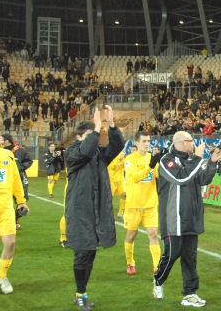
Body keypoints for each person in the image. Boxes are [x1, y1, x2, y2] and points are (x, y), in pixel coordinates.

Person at [64, 106, 124, 310]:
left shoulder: (98, 155)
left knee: (90, 252)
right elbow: (85, 151)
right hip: (79, 212)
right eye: (91, 135)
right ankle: (81, 293)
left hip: (96, 212)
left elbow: (117, 146)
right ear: (79, 137)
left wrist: (112, 126)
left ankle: (81, 292)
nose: (96, 138)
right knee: (83, 252)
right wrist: (97, 128)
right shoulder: (72, 153)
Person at [153, 131, 221, 306]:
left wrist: (212, 163)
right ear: (182, 143)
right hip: (173, 219)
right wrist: (199, 158)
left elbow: (203, 179)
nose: (194, 144)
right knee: (172, 254)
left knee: (190, 257)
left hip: (192, 217)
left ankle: (189, 293)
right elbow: (181, 177)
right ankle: (158, 280)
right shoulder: (166, 160)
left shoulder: (191, 161)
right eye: (191, 141)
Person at [0, 123, 29, 296]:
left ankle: (2, 276)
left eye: (0, 136)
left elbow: (15, 179)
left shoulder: (8, 155)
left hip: (5, 208)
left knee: (10, 243)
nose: (0, 139)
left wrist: (21, 200)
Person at [123, 132, 162, 278]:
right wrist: (150, 166)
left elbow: (159, 175)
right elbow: (135, 178)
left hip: (150, 204)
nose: (147, 144)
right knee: (131, 235)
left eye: (149, 141)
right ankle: (130, 262)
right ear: (137, 143)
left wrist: (164, 164)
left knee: (153, 234)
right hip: (133, 205)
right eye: (144, 141)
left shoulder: (152, 158)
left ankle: (157, 267)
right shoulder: (129, 159)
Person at [2, 134, 33, 230]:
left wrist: (22, 167)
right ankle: (3, 221)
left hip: (20, 177)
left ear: (7, 141)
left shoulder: (19, 150)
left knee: (22, 199)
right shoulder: (0, 151)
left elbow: (29, 161)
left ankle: (16, 219)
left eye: (2, 139)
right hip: (4, 178)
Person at [107, 150, 126, 218]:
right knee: (108, 198)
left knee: (125, 195)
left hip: (120, 179)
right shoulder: (111, 154)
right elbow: (110, 167)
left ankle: (121, 212)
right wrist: (119, 160)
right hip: (112, 179)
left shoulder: (122, 154)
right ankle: (106, 212)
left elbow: (125, 166)